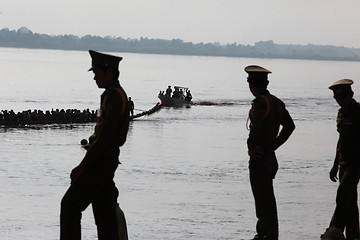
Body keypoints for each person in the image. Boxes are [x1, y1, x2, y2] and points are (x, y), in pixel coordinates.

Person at [60, 50, 130, 240]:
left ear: (109, 72)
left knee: (70, 205)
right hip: (106, 163)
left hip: (101, 163)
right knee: (105, 215)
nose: (94, 78)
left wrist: (82, 167)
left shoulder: (115, 96)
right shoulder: (112, 94)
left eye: (96, 73)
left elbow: (105, 139)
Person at [244, 65, 295, 240]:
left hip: (260, 160)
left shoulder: (260, 102)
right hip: (270, 159)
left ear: (251, 84)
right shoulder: (277, 102)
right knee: (269, 201)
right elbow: (290, 126)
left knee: (262, 202)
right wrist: (274, 146)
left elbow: (256, 128)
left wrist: (252, 147)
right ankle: (271, 234)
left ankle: (266, 235)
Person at [323, 79, 360, 240]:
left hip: (357, 162)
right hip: (344, 162)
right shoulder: (341, 113)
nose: (340, 101)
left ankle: (334, 228)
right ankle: (353, 235)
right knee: (350, 202)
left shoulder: (358, 112)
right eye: (337, 99)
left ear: (351, 95)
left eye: (343, 97)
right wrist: (334, 164)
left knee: (343, 194)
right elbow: (341, 140)